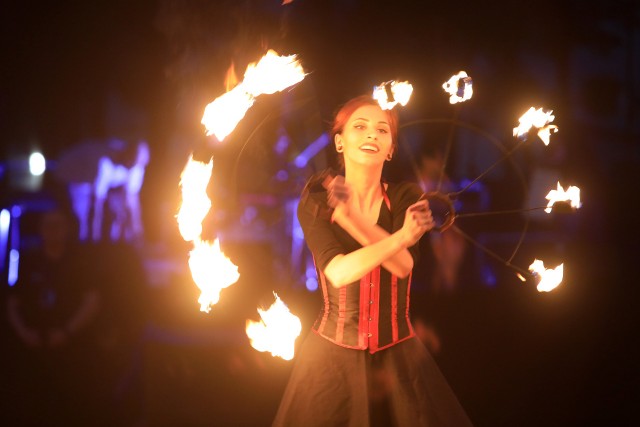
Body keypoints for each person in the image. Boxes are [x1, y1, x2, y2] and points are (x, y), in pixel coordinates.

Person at [272, 95, 473, 426]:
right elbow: (338, 272)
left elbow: (403, 266)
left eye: (382, 130)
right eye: (360, 127)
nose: (371, 135)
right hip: (331, 357)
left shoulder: (404, 196)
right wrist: (401, 238)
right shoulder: (318, 197)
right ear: (339, 141)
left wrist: (351, 220)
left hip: (398, 355)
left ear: (391, 148)